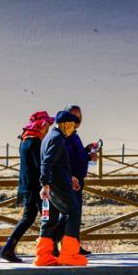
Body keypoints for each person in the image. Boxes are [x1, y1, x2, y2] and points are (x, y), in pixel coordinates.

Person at [34, 111, 87, 267]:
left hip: (53, 185)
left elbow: (56, 163)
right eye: (71, 125)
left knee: (49, 220)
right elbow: (47, 163)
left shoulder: (49, 137)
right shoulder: (58, 139)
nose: (72, 129)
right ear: (64, 124)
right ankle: (69, 255)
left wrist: (70, 177)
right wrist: (45, 183)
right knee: (73, 212)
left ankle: (43, 256)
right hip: (57, 185)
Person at [0, 111, 54, 263]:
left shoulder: (24, 140)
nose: (46, 129)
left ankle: (8, 248)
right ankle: (49, 249)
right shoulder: (35, 142)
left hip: (28, 184)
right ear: (39, 125)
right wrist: (47, 182)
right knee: (49, 216)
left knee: (29, 218)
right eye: (45, 126)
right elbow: (40, 165)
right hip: (37, 186)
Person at [52, 104, 95, 256]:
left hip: (76, 178)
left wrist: (86, 151)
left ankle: (73, 244)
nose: (77, 119)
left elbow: (76, 156)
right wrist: (88, 157)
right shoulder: (65, 136)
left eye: (79, 116)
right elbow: (67, 158)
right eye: (74, 116)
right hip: (70, 179)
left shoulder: (73, 134)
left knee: (74, 214)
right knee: (70, 213)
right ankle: (51, 242)